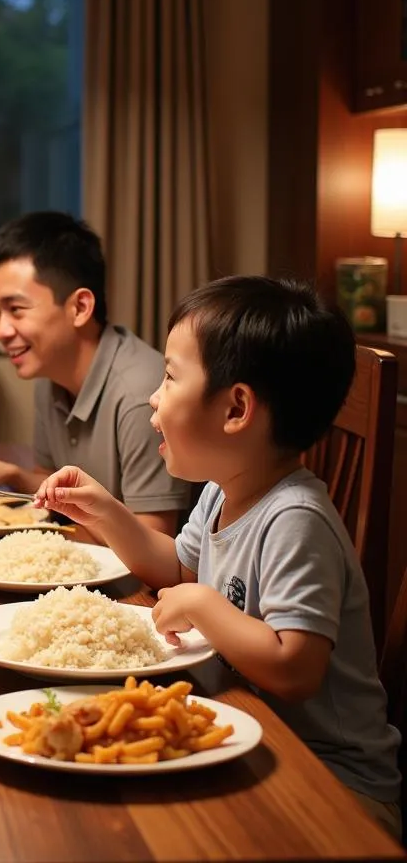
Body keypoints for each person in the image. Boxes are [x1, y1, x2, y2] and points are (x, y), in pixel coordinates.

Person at [34, 276, 401, 838]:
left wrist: (205, 605)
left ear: (236, 409)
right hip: (249, 731)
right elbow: (176, 570)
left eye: (170, 376)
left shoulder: (294, 519)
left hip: (333, 782)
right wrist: (105, 512)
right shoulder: (223, 488)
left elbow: (296, 669)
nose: (154, 398)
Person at [0, 211, 190, 534]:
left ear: (80, 307)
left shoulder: (142, 395)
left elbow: (154, 536)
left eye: (16, 310)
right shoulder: (50, 375)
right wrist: (12, 475)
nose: (1, 330)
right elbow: (52, 487)